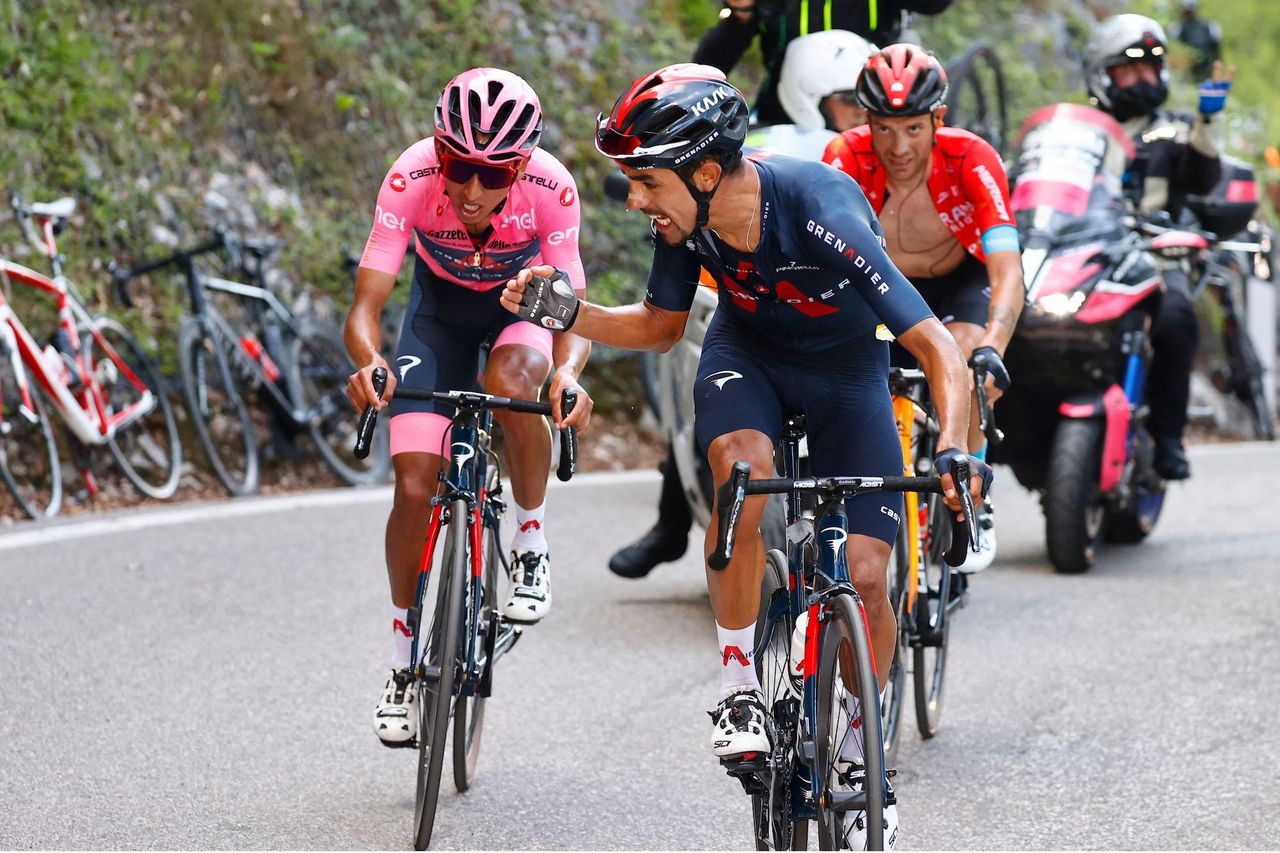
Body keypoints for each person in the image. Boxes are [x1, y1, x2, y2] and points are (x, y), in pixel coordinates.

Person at [501, 64, 989, 845]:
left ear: (701, 170)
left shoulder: (820, 207)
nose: (633, 200)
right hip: (748, 357)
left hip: (844, 371)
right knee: (741, 476)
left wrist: (957, 450)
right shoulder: (683, 222)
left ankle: (865, 750)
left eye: (643, 180)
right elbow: (662, 326)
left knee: (867, 575)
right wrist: (571, 312)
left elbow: (934, 346)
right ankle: (737, 684)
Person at [343, 67, 594, 747]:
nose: (475, 189)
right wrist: (368, 362)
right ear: (438, 149)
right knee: (413, 484)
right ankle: (401, 667)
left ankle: (531, 537)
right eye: (460, 167)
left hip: (524, 310)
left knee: (515, 381)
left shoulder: (551, 187)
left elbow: (571, 311)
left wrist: (567, 373)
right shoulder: (411, 178)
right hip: (438, 316)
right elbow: (367, 308)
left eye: (496, 173)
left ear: (522, 166)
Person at [608, 29, 878, 580]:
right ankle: (674, 519)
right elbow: (660, 321)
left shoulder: (862, 156)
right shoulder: (748, 137)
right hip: (744, 312)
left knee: (867, 567)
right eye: (847, 103)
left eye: (863, 105)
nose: (860, 116)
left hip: (839, 332)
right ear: (811, 94)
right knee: (722, 422)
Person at [822, 43, 1024, 573]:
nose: (898, 146)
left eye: (913, 128)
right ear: (867, 121)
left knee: (965, 358)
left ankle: (972, 495)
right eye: (884, 128)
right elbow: (824, 261)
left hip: (959, 279)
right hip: (881, 284)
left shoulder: (973, 157)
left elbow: (1006, 269)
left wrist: (993, 349)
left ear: (939, 118)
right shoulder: (844, 155)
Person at [1082, 13, 1233, 480]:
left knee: (1175, 316)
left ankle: (1168, 436)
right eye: (1132, 68)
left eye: (1153, 67)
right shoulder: (1079, 131)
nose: (1145, 78)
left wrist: (1207, 121)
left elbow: (1204, 178)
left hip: (1156, 254)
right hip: (1085, 252)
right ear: (1103, 75)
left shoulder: (1176, 129)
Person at [693, 0, 952, 125]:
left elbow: (934, 4)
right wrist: (742, 12)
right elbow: (710, 62)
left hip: (874, 108)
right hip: (784, 110)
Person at [1169, 0, 1222, 80]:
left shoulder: (1176, 28)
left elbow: (1216, 51)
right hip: (1190, 72)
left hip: (1202, 71)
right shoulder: (1210, 26)